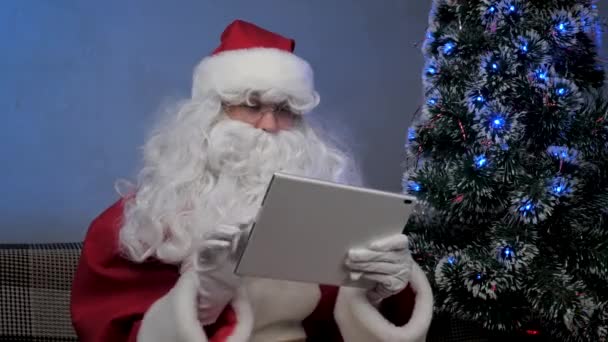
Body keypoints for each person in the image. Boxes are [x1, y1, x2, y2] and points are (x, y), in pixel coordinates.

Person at [70, 19, 433, 342]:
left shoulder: (329, 216)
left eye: (285, 110)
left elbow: (347, 323)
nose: (269, 126)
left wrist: (378, 292)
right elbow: (108, 327)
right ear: (207, 116)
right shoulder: (139, 223)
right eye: (252, 105)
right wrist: (200, 302)